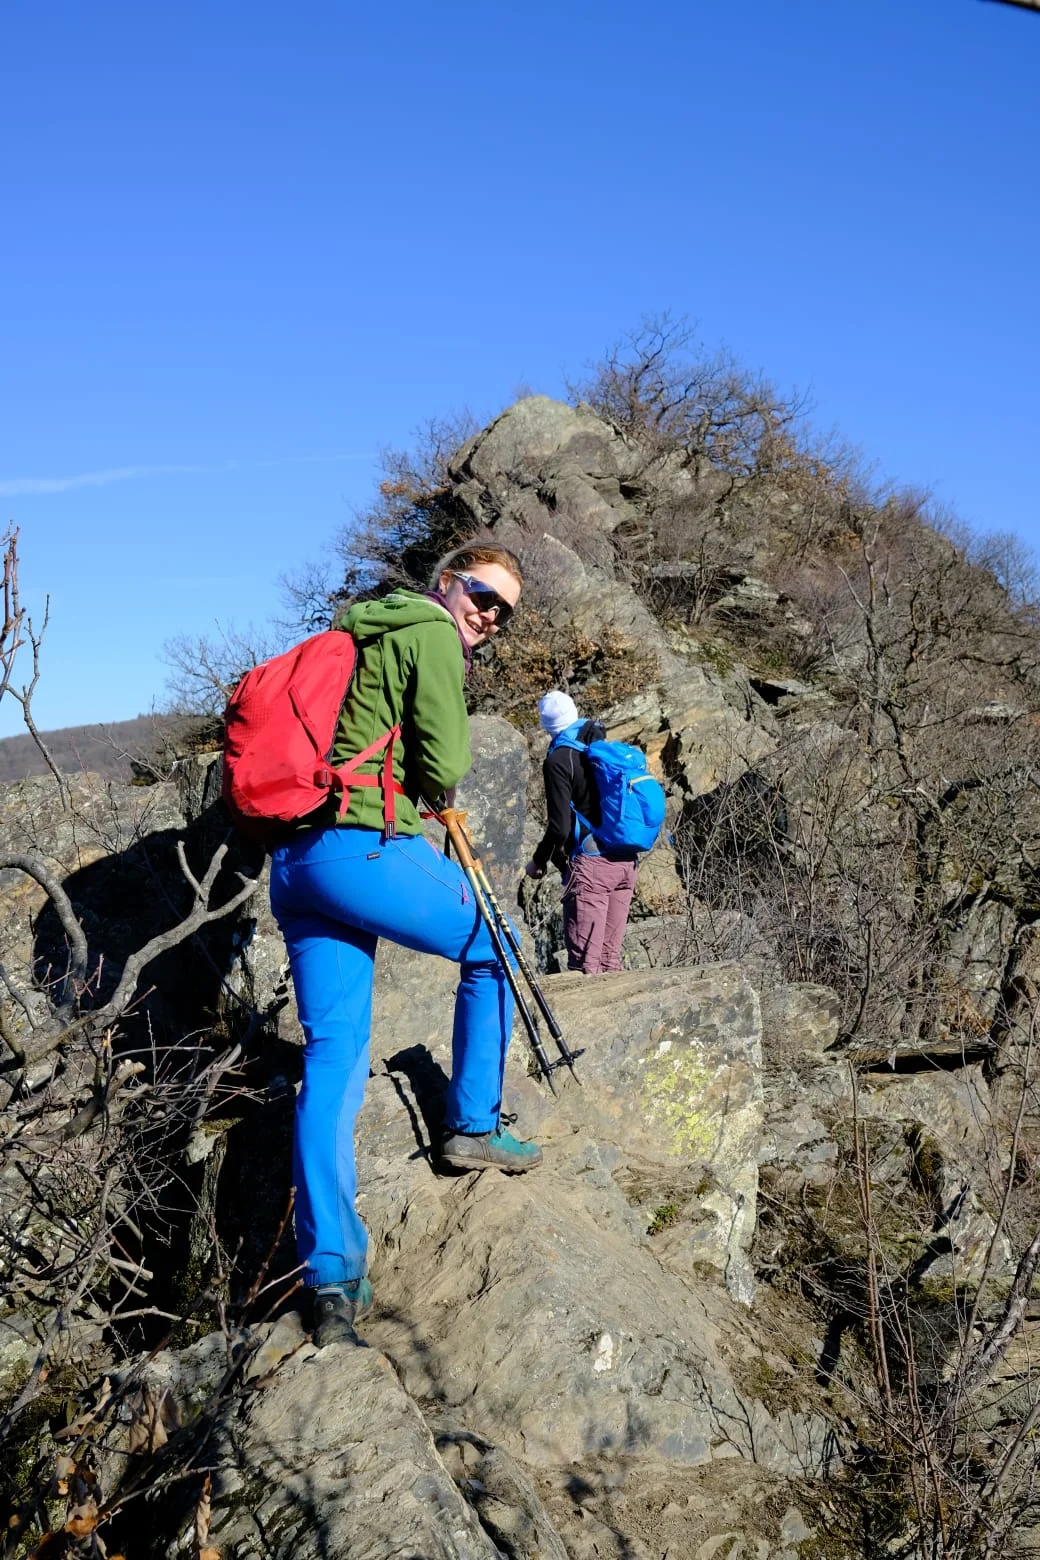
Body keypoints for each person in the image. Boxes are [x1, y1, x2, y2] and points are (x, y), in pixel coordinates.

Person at [269, 543, 540, 1348]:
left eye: (504, 612)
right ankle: (475, 1123)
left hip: (295, 864)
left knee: (334, 1060)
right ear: (448, 581)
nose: (488, 616)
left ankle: (331, 1280)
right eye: (483, 595)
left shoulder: (362, 631)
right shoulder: (427, 630)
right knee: (502, 940)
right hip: (360, 847)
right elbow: (446, 761)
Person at [524, 691, 638, 975]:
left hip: (593, 868)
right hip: (626, 860)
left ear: (546, 725)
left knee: (586, 968)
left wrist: (539, 860)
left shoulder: (559, 759)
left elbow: (560, 827)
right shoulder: (600, 744)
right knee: (610, 961)